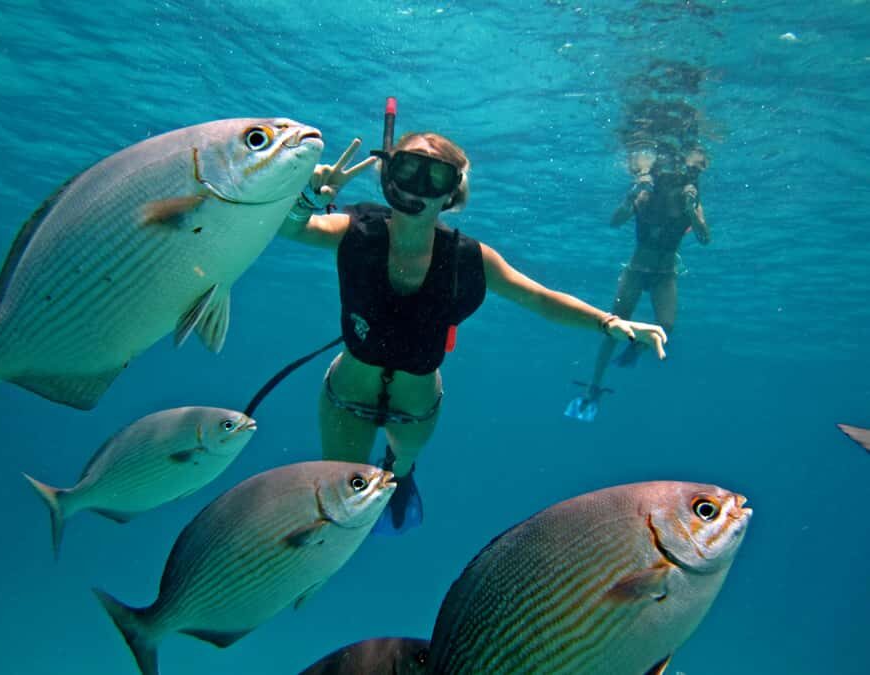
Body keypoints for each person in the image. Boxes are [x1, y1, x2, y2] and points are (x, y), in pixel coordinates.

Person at [278, 131, 668, 533]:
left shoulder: (468, 258)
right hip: (345, 399)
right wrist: (306, 198)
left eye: (435, 177)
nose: (418, 187)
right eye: (407, 169)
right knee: (337, 495)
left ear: (452, 193)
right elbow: (294, 229)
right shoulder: (355, 230)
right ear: (388, 175)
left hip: (415, 411)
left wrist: (608, 322)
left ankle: (400, 473)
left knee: (399, 470)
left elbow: (539, 298)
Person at [566, 143, 710, 422]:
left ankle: (636, 347)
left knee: (666, 325)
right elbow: (615, 221)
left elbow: (705, 238)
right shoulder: (646, 196)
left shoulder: (689, 200)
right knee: (613, 325)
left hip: (665, 273)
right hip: (636, 270)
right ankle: (594, 384)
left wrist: (692, 211)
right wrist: (632, 195)